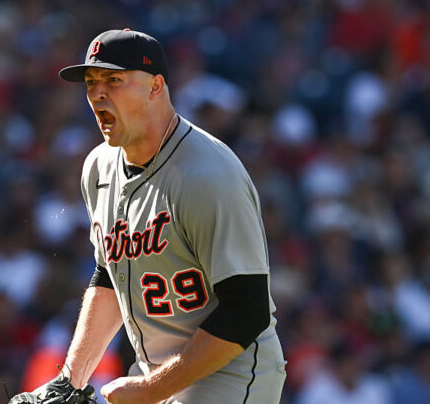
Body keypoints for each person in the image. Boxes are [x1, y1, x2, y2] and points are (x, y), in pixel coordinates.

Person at [22, 28, 287, 404]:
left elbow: (247, 310)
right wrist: (71, 379)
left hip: (232, 376)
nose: (98, 94)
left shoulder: (209, 174)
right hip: (156, 375)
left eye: (114, 80)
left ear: (155, 86)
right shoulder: (98, 168)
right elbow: (111, 278)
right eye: (92, 83)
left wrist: (151, 389)